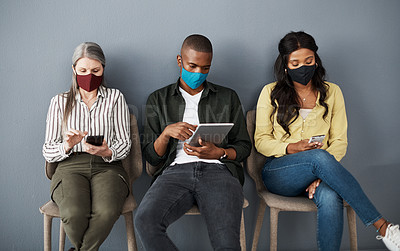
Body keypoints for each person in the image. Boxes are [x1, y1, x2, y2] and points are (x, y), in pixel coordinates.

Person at [255, 31, 400, 251]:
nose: (302, 67)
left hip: (320, 170)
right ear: (285, 65)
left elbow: (340, 141)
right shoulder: (270, 92)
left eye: (308, 61)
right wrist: (291, 147)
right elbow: (261, 141)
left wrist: (323, 175)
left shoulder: (333, 93)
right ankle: (383, 226)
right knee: (318, 157)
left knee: (331, 195)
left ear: (316, 61)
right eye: (295, 63)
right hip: (279, 173)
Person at [135, 34, 251, 250]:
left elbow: (244, 147)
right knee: (145, 221)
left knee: (227, 242)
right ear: (180, 61)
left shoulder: (228, 97)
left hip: (219, 172)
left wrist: (219, 153)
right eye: (193, 66)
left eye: (205, 68)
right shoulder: (158, 99)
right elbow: (151, 157)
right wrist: (166, 133)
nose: (198, 73)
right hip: (175, 172)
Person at [42, 42, 131, 251]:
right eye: (82, 70)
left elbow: (126, 143)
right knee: (73, 212)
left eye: (95, 70)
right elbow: (47, 149)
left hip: (108, 166)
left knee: (108, 211)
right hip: (70, 166)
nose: (89, 76)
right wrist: (67, 145)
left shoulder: (115, 98)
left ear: (103, 69)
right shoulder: (59, 102)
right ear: (74, 70)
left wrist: (108, 151)